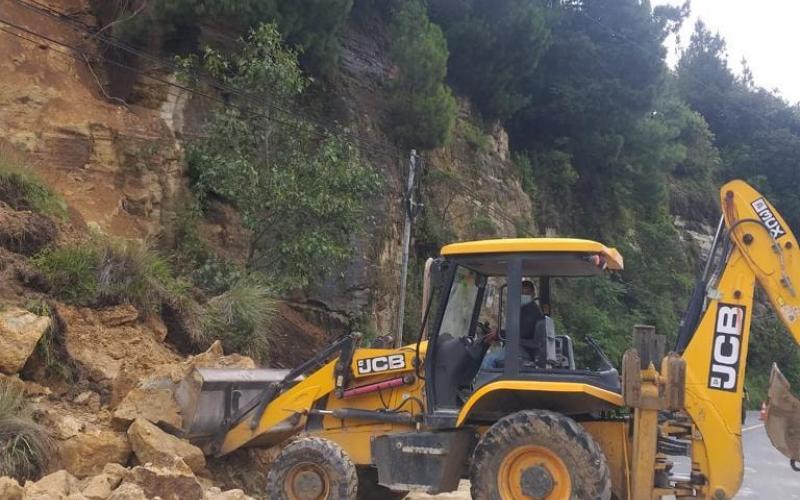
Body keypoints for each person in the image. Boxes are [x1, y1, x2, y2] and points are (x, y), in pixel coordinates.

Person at [480, 280, 544, 369]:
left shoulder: (532, 312)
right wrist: (498, 333)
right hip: (521, 347)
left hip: (523, 350)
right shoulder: (524, 309)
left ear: (533, 294)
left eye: (526, 294)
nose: (523, 296)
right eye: (522, 293)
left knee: (489, 360)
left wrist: (499, 334)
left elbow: (520, 334)